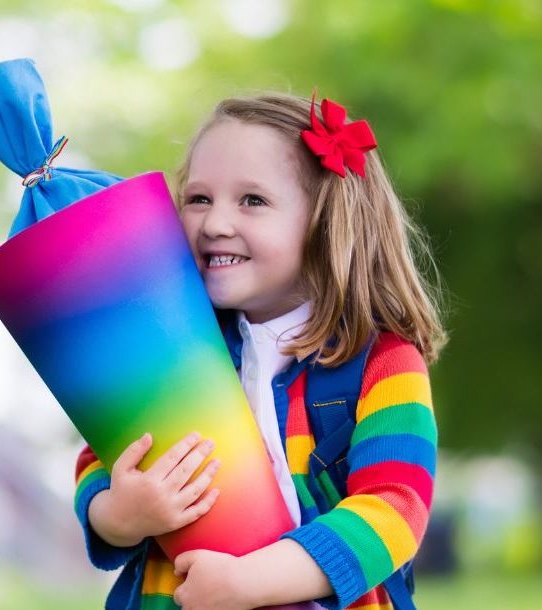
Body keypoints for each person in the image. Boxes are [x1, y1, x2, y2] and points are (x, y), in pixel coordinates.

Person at [73, 92, 447, 610]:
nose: (215, 223)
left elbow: (396, 505)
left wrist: (252, 581)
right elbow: (103, 453)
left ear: (326, 220)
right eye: (198, 198)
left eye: (252, 200)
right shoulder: (170, 346)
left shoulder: (381, 360)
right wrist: (119, 513)